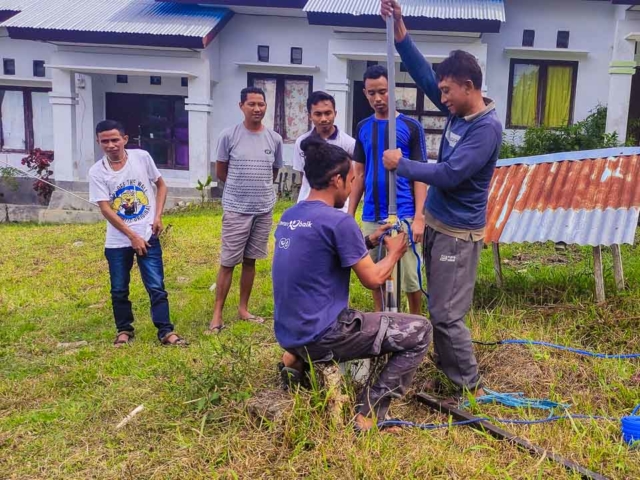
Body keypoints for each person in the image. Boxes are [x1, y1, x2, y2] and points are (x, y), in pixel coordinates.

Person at [380, 0, 504, 399]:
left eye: (448, 91)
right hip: (435, 222)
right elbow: (420, 73)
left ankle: (469, 387)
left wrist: (404, 164)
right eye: (442, 90)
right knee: (439, 305)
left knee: (447, 314)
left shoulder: (485, 129)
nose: (442, 98)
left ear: (470, 87)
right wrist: (399, 28)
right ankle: (448, 366)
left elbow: (450, 175)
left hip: (457, 233)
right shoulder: (458, 110)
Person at [272, 136, 432, 432]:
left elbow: (323, 252)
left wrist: (371, 239)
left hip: (288, 331)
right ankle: (368, 414)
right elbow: (372, 278)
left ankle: (294, 359)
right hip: (323, 335)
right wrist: (395, 251)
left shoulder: (290, 216)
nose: (351, 187)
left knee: (334, 320)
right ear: (336, 179)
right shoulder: (338, 221)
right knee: (420, 331)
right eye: (351, 179)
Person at [88, 120, 187, 347]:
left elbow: (161, 185)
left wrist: (157, 216)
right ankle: (124, 330)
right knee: (119, 288)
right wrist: (131, 236)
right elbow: (105, 208)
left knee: (156, 286)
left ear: (125, 139)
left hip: (148, 234)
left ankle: (165, 331)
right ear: (98, 142)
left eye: (115, 139)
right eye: (105, 141)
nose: (111, 145)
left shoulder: (141, 158)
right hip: (118, 240)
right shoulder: (97, 172)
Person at [348, 64, 428, 315]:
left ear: (392, 90)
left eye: (382, 91)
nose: (378, 98)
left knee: (410, 278)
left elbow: (420, 176)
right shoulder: (362, 127)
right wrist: (349, 215)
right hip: (372, 214)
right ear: (365, 93)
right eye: (372, 93)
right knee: (377, 274)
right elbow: (358, 174)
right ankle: (382, 322)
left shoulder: (412, 127)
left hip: (404, 213)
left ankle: (415, 323)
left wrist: (419, 217)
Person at [207, 87, 284, 334]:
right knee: (229, 261)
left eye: (261, 104)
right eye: (251, 104)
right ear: (241, 106)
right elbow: (221, 172)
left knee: (251, 260)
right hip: (236, 208)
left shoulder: (274, 138)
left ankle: (243, 309)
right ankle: (217, 314)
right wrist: (240, 189)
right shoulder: (228, 136)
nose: (257, 109)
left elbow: (274, 171)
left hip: (263, 208)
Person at [292, 91, 356, 213]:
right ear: (310, 116)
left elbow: (354, 178)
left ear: (335, 114)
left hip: (339, 209)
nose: (323, 119)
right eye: (318, 114)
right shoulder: (302, 142)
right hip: (307, 206)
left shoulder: (349, 143)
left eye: (328, 113)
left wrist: (350, 211)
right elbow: (303, 176)